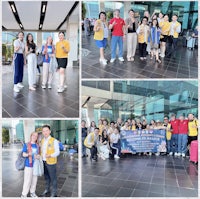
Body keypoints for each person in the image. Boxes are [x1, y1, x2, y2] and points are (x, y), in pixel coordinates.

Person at [40, 125, 60, 197]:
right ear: (42, 132)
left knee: (53, 178)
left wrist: (50, 155)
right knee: (46, 177)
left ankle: (54, 192)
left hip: (51, 162)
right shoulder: (42, 141)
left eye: (46, 130)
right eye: (43, 131)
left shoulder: (54, 140)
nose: (45, 132)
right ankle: (47, 189)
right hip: (44, 162)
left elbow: (57, 152)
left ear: (49, 131)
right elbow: (42, 151)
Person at [21, 132, 40, 198]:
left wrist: (38, 156)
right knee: (27, 180)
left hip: (35, 166)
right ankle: (24, 194)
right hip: (28, 165)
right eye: (33, 135)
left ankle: (32, 192)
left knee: (34, 180)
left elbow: (38, 155)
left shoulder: (37, 145)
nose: (35, 137)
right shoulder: (26, 144)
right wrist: (28, 154)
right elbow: (23, 154)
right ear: (31, 136)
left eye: (36, 136)